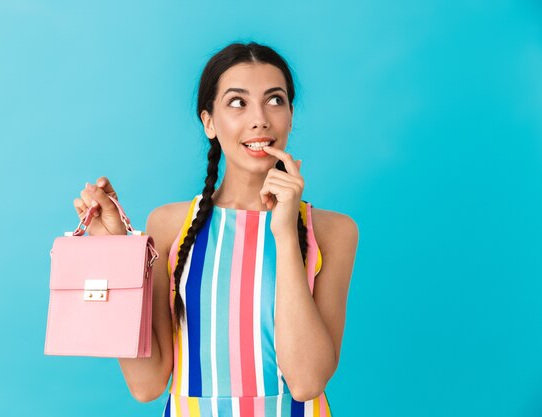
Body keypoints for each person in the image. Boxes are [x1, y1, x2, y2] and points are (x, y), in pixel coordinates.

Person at [73, 41, 359, 417]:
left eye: (275, 100)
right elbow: (146, 386)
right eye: (238, 103)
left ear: (290, 115)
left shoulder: (333, 232)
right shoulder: (169, 225)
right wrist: (111, 252)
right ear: (209, 121)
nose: (259, 119)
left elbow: (306, 382)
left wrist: (286, 233)